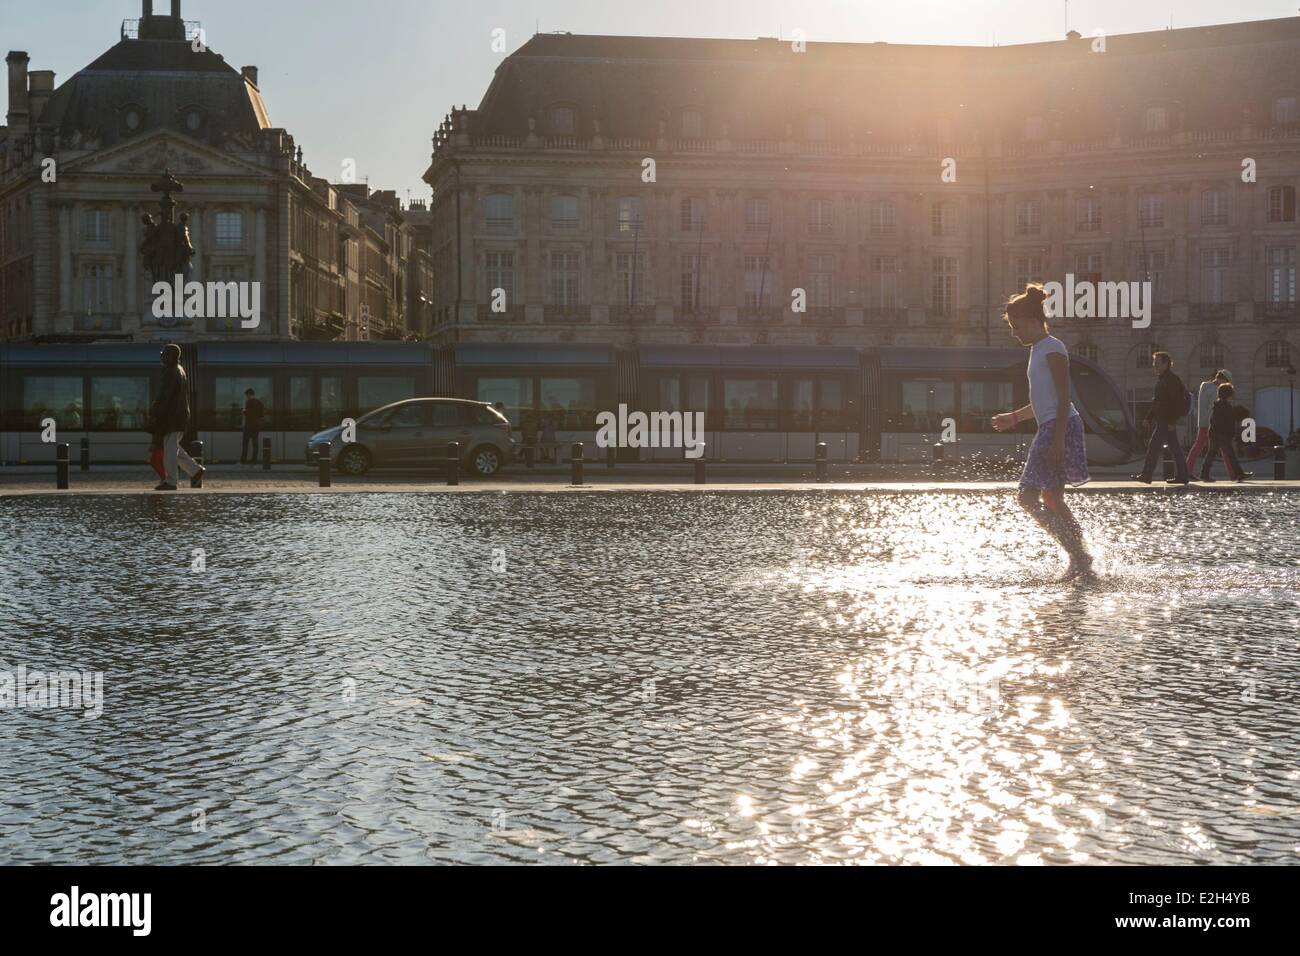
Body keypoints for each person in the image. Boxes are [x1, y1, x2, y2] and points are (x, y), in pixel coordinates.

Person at [992, 284, 1093, 580]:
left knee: (1027, 496)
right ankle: (1080, 556)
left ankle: (1078, 554)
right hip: (1054, 425)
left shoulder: (1053, 348)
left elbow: (1064, 397)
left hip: (1060, 427)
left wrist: (1059, 438)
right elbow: (1043, 401)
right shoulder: (1037, 350)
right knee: (1051, 497)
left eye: (1015, 325)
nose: (1014, 332)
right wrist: (1014, 417)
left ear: (1033, 321)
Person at [149, 343, 203, 491]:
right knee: (173, 448)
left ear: (171, 356)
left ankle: (171, 481)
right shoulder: (178, 370)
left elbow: (164, 396)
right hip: (178, 415)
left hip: (172, 417)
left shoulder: (170, 372)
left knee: (170, 450)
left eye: (164, 354)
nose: (161, 356)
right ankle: (195, 470)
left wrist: (155, 411)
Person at [1131, 351, 1190, 484]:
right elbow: (1157, 402)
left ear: (1166, 364)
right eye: (1154, 362)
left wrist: (1172, 421)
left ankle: (1147, 475)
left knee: (1154, 447)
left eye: (1157, 362)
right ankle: (1183, 476)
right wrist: (1149, 418)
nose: (1154, 365)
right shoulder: (1163, 379)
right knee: (1175, 448)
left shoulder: (1172, 380)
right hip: (1163, 419)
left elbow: (1176, 402)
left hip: (1166, 420)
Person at [1186, 368, 1236, 477]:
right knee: (1224, 448)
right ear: (1223, 380)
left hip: (1203, 422)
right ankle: (1233, 474)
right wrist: (1214, 424)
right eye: (1227, 383)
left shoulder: (1204, 386)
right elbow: (1212, 409)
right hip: (1212, 423)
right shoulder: (1214, 390)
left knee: (1199, 447)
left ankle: (1187, 471)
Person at [1200, 382, 1247, 482]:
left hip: (1214, 433)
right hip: (1223, 434)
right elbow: (1229, 423)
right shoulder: (1227, 407)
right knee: (1230, 454)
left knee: (1211, 454)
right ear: (1229, 394)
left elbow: (1213, 420)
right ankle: (1239, 474)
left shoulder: (1217, 405)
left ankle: (1204, 474)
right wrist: (1231, 434)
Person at [240, 388, 265, 465]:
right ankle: (254, 460)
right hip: (256, 426)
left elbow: (248, 413)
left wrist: (243, 411)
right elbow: (262, 415)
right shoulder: (259, 402)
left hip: (248, 426)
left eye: (247, 395)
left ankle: (243, 460)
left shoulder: (249, 402)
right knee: (255, 444)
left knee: (245, 444)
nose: (246, 397)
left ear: (249, 395)